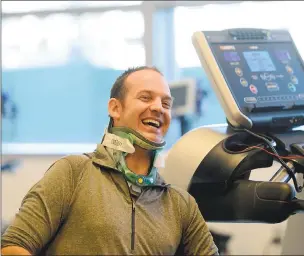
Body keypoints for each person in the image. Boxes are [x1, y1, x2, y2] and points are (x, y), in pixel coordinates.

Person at [1, 66, 219, 255]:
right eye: (145, 97)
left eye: (166, 103)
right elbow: (13, 246)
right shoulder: (73, 173)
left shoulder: (180, 204)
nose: (158, 107)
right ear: (115, 108)